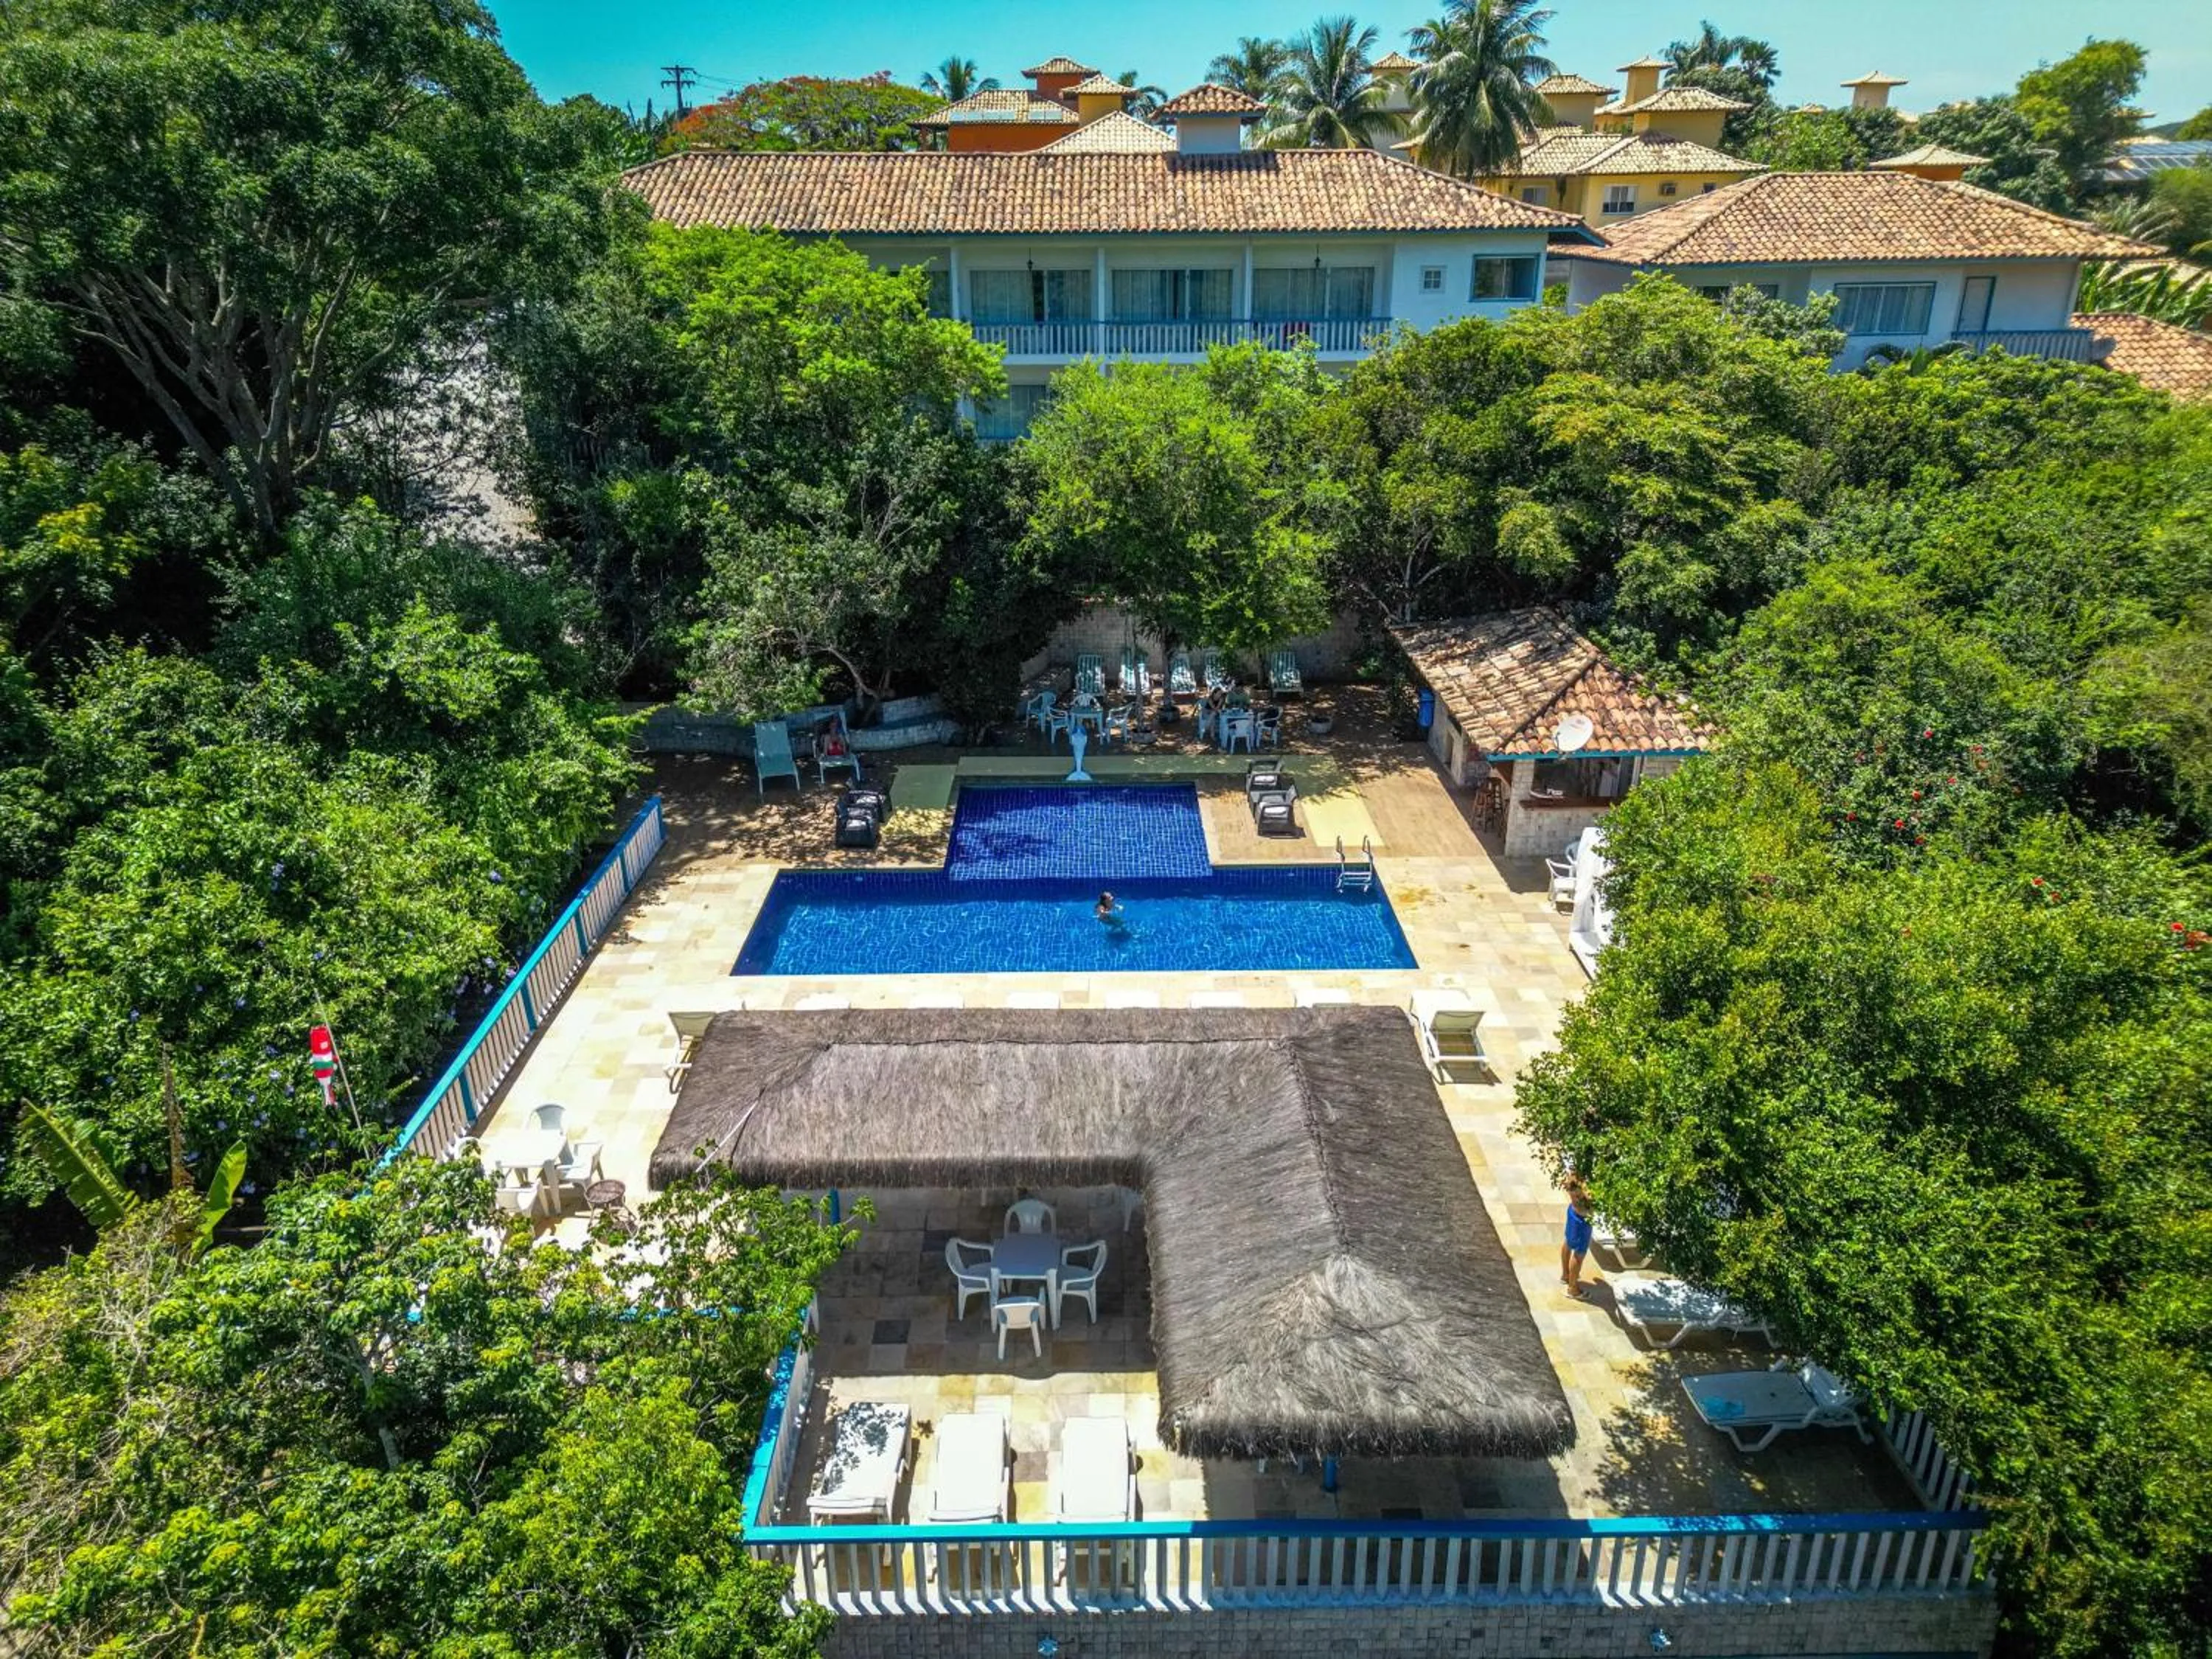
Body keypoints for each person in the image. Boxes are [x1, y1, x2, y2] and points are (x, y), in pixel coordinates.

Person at [1561, 1173, 1596, 1299]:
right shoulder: (1584, 1187)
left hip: (1573, 1212)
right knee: (1579, 1254)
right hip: (1582, 1220)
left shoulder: (1574, 1176)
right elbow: (1591, 1198)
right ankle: (1573, 1289)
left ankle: (1566, 1275)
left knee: (1568, 1242)